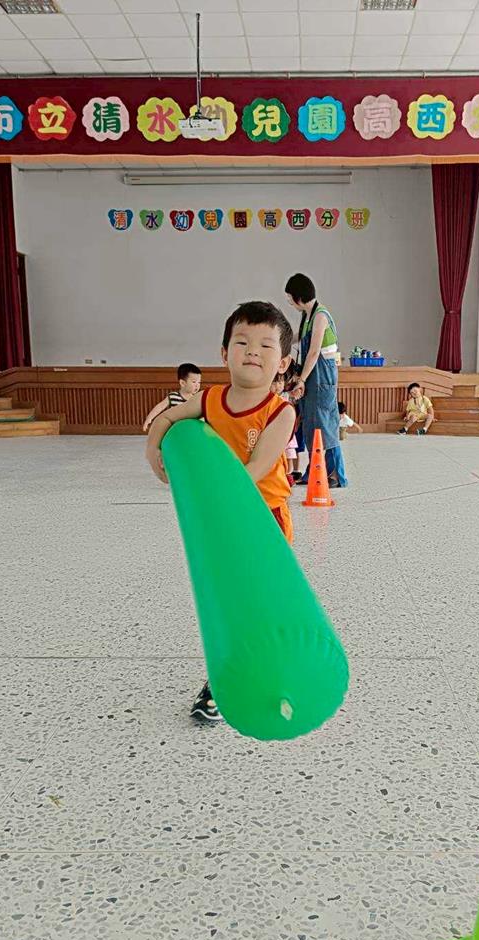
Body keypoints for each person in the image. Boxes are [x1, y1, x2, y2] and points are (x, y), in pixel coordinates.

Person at [146, 301, 296, 723]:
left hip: (263, 520)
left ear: (283, 362)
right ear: (224, 352)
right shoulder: (211, 399)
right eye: (242, 342)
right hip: (221, 518)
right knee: (226, 603)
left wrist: (212, 498)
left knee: (261, 600)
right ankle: (221, 680)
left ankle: (274, 671)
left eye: (266, 345)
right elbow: (167, 419)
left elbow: (257, 468)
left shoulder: (280, 412)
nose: (253, 351)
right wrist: (153, 448)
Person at [285, 273, 348, 488]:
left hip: (322, 377)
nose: (290, 302)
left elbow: (313, 352)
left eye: (290, 298)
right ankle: (315, 470)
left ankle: (335, 474)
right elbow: (298, 338)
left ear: (299, 297)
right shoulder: (307, 315)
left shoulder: (320, 316)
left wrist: (301, 379)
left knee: (324, 424)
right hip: (312, 376)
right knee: (312, 424)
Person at [143, 362, 202, 432]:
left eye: (199, 382)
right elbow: (160, 407)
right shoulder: (173, 396)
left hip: (191, 430)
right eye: (194, 382)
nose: (197, 385)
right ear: (182, 383)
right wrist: (149, 418)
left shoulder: (196, 399)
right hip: (176, 430)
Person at [272, 373, 299, 479]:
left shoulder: (286, 395)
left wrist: (297, 388)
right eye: (274, 382)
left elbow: (296, 393)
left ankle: (289, 473)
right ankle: (279, 473)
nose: (277, 386)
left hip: (287, 430)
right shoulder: (268, 397)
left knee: (289, 452)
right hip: (274, 431)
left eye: (280, 382)